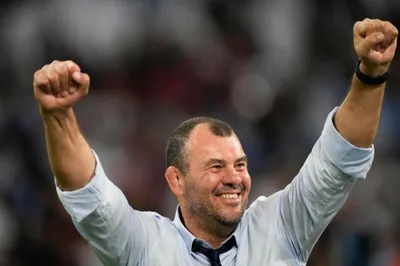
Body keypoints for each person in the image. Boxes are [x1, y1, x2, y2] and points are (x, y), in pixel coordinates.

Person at [33, 18, 397, 266]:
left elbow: (338, 160)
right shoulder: (141, 244)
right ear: (176, 180)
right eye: (215, 166)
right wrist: (58, 116)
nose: (234, 177)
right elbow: (89, 196)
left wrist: (372, 74)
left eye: (240, 164)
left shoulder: (282, 225)